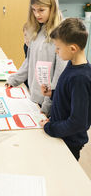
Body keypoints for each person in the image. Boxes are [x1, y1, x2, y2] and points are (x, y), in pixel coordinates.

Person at [6, 0, 67, 114]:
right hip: (34, 97)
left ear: (53, 8)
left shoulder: (62, 33)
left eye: (41, 10)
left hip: (49, 103)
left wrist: (48, 104)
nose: (36, 14)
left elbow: (59, 74)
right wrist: (14, 79)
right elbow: (29, 60)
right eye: (33, 10)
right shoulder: (39, 29)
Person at [39, 18, 91, 161]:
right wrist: (52, 94)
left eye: (58, 48)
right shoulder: (72, 64)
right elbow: (69, 97)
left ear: (73, 48)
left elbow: (78, 122)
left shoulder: (80, 78)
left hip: (68, 142)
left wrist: (50, 128)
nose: (56, 51)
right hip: (60, 135)